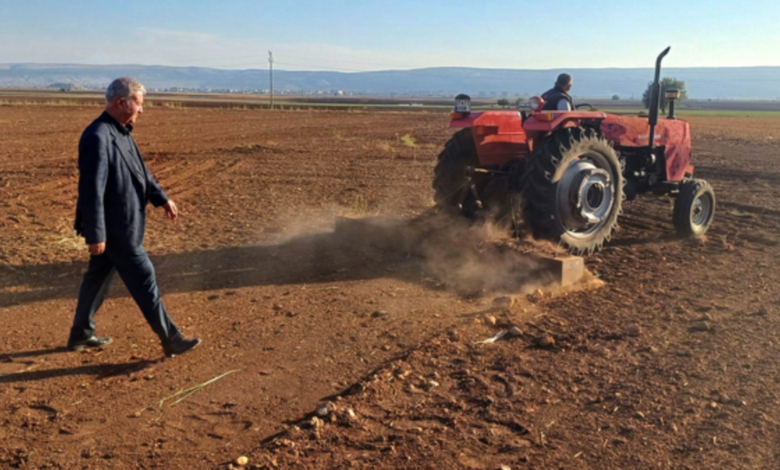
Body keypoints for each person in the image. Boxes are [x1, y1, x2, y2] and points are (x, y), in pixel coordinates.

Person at [68, 77, 201, 357]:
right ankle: (171, 339)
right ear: (122, 102)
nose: (142, 110)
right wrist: (96, 235)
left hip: (124, 225)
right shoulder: (97, 137)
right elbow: (91, 190)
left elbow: (141, 172)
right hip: (116, 230)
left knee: (97, 278)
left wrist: (162, 198)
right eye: (139, 103)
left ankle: (80, 334)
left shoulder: (122, 132)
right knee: (144, 278)